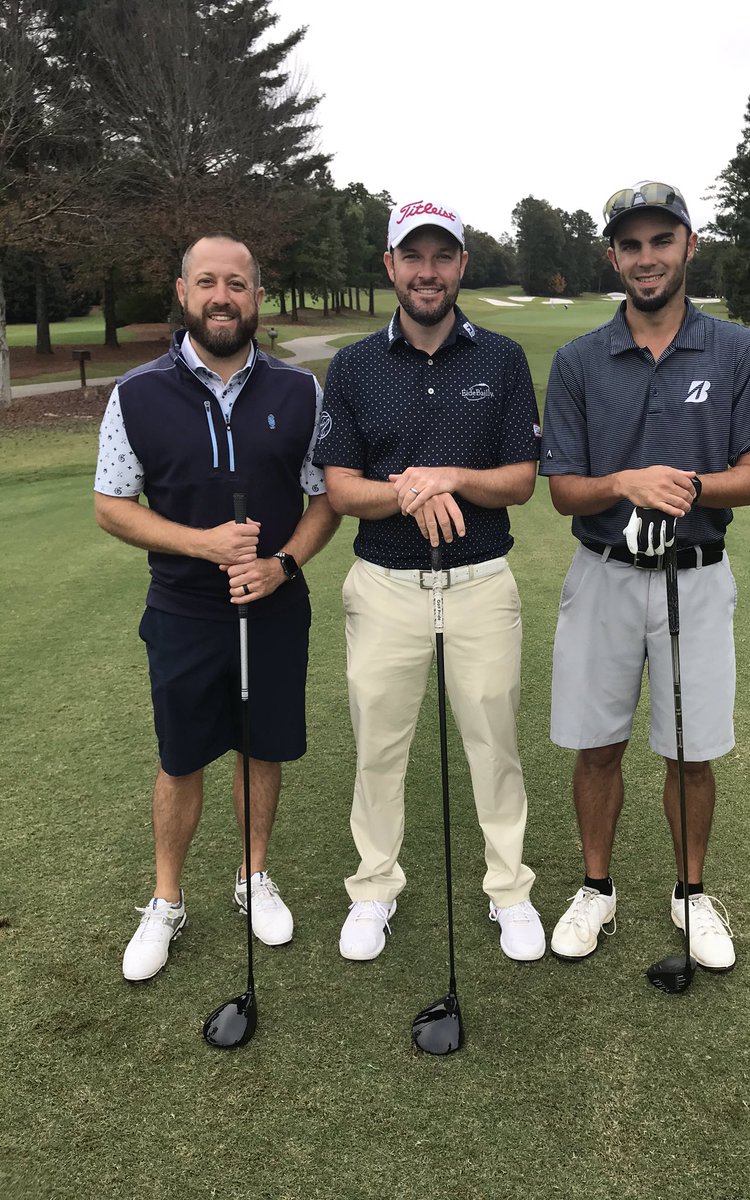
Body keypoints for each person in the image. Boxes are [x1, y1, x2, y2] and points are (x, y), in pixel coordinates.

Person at [540, 181, 750, 970]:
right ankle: (596, 888)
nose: (647, 258)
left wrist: (687, 485)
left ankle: (690, 893)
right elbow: (564, 489)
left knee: (692, 750)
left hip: (697, 575)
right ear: (614, 257)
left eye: (661, 241)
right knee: (596, 746)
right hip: (603, 573)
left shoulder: (736, 349)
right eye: (631, 245)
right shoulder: (579, 360)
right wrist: (624, 482)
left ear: (689, 246)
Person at [94, 234, 339, 982]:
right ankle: (166, 899)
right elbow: (111, 505)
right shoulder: (136, 393)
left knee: (261, 747)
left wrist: (282, 565)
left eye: (237, 283)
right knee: (181, 757)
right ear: (183, 292)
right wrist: (202, 545)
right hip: (183, 610)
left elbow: (325, 499)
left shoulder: (300, 391)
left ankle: (253, 876)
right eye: (207, 282)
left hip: (274, 605)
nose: (222, 297)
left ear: (257, 296)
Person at [315, 198, 545, 962]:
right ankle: (374, 887)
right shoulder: (353, 366)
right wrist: (410, 491)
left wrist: (447, 476)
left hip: (480, 583)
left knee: (495, 744)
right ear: (390, 265)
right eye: (412, 256)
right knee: (378, 749)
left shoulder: (501, 358)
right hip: (385, 586)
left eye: (442, 255)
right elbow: (341, 487)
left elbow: (520, 479)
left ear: (462, 266)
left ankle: (509, 889)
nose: (427, 271)